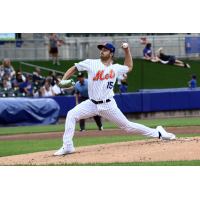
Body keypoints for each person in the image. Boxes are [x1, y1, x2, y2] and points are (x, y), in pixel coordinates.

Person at [54, 42, 176, 156]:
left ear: (111, 53)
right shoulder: (91, 63)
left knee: (128, 126)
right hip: (91, 103)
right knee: (71, 114)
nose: (102, 51)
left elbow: (129, 67)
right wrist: (63, 79)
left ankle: (158, 132)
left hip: (108, 105)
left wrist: (127, 50)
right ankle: (68, 146)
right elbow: (74, 67)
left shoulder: (116, 68)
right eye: (101, 49)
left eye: (105, 49)